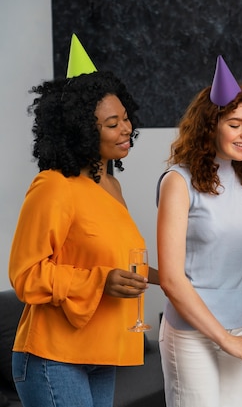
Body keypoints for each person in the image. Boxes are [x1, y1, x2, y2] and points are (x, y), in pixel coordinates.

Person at [9, 34, 151, 407]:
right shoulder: (53, 186)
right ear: (82, 131)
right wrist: (100, 281)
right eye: (111, 123)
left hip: (100, 353)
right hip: (54, 356)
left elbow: (109, 256)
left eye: (125, 118)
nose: (125, 129)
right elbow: (25, 275)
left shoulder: (111, 185)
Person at [156, 55, 242, 407]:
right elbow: (172, 279)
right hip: (191, 334)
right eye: (235, 124)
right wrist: (225, 339)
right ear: (210, 126)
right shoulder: (178, 182)